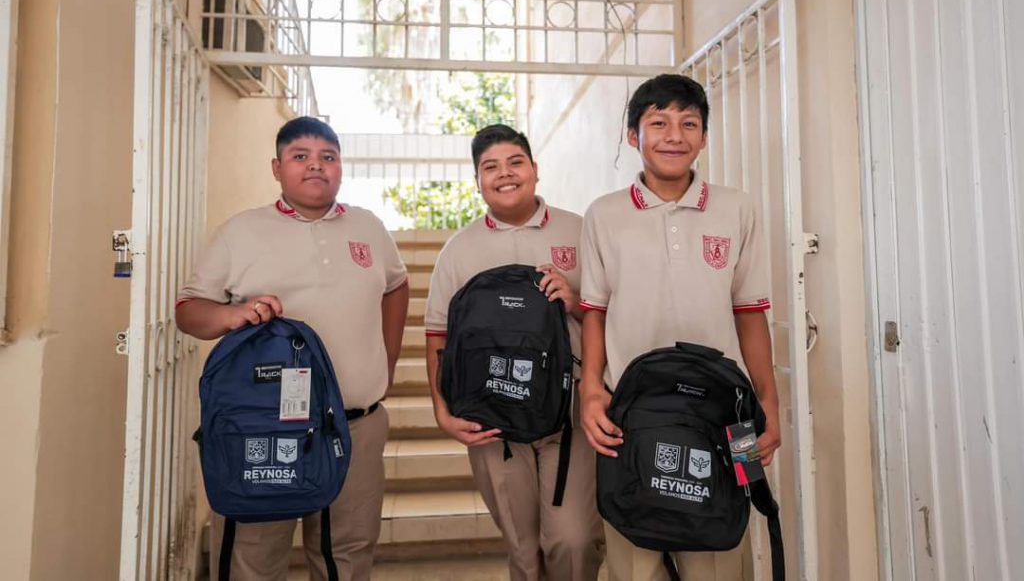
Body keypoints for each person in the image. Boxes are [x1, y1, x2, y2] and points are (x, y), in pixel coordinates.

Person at [176, 116, 409, 580]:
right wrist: (231, 315)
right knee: (254, 556)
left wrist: (386, 360)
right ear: (277, 168)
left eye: (328, 157)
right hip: (265, 427)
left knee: (348, 554)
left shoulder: (368, 227)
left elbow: (396, 285)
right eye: (300, 156)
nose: (316, 165)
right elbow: (189, 310)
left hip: (355, 425)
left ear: (340, 167)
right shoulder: (240, 232)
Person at [578, 74, 781, 581]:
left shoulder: (738, 208)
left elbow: (749, 312)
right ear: (633, 135)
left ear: (704, 137)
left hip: (725, 414)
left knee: (720, 561)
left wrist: (769, 406)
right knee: (634, 565)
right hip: (629, 411)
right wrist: (591, 392)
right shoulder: (603, 215)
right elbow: (595, 311)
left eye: (689, 124)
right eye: (659, 123)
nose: (674, 136)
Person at [424, 124, 605, 581]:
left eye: (515, 162)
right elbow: (438, 336)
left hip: (569, 412)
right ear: (477, 181)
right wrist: (442, 411)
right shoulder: (459, 250)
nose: (505, 174)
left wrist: (574, 301)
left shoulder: (580, 231)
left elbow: (610, 313)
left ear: (535, 170)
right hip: (492, 418)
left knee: (573, 540)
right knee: (523, 551)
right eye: (491, 167)